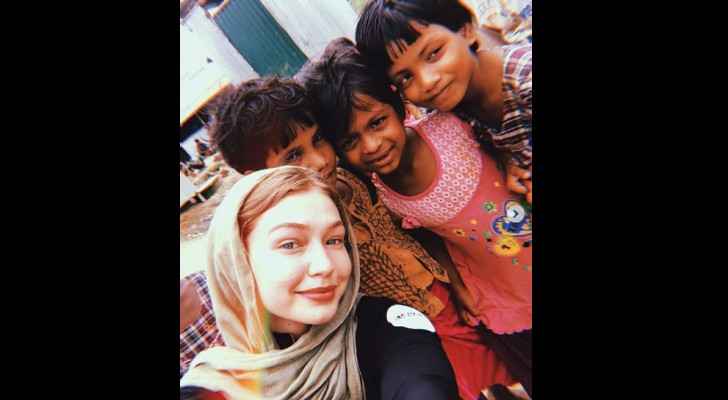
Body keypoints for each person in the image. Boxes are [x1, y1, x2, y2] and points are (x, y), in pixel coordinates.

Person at [302, 37, 532, 397]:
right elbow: (425, 237)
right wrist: (456, 283)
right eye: (350, 142)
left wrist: (511, 159)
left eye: (377, 122)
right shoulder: (381, 195)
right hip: (503, 305)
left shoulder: (453, 127)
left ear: (398, 105)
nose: (371, 146)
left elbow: (503, 137)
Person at [180, 166, 458, 400]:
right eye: (290, 244)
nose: (325, 265)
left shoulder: (385, 325)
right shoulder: (212, 383)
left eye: (334, 240)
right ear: (237, 261)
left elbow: (421, 377)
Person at [355, 0, 532, 203]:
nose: (427, 81)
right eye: (406, 78)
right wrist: (512, 164)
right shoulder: (456, 112)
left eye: (433, 54)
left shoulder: (525, 78)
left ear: (466, 31)